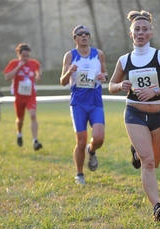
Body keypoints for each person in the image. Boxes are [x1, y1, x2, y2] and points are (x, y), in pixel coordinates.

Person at [108, 10, 160, 222]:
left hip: (159, 116)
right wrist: (119, 85)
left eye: (144, 29)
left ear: (150, 33)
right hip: (135, 113)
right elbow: (111, 86)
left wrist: (156, 91)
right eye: (137, 30)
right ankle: (157, 206)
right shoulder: (124, 60)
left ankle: (136, 152)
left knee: (155, 162)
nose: (140, 33)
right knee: (148, 162)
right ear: (131, 34)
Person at [60, 25, 108, 185]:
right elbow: (63, 81)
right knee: (81, 141)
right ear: (75, 39)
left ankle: (91, 150)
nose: (84, 36)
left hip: (95, 101)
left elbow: (105, 73)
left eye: (87, 33)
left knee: (99, 138)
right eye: (80, 34)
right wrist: (69, 72)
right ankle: (79, 174)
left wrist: (103, 77)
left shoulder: (98, 54)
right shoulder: (70, 56)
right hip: (78, 102)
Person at [4, 43, 43, 151]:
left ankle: (35, 140)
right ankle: (19, 134)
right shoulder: (14, 63)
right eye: (23, 56)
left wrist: (38, 75)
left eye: (27, 56)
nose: (26, 58)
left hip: (30, 95)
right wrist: (19, 67)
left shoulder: (33, 63)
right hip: (19, 96)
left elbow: (38, 68)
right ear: (19, 54)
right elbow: (7, 77)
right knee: (20, 120)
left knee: (33, 114)